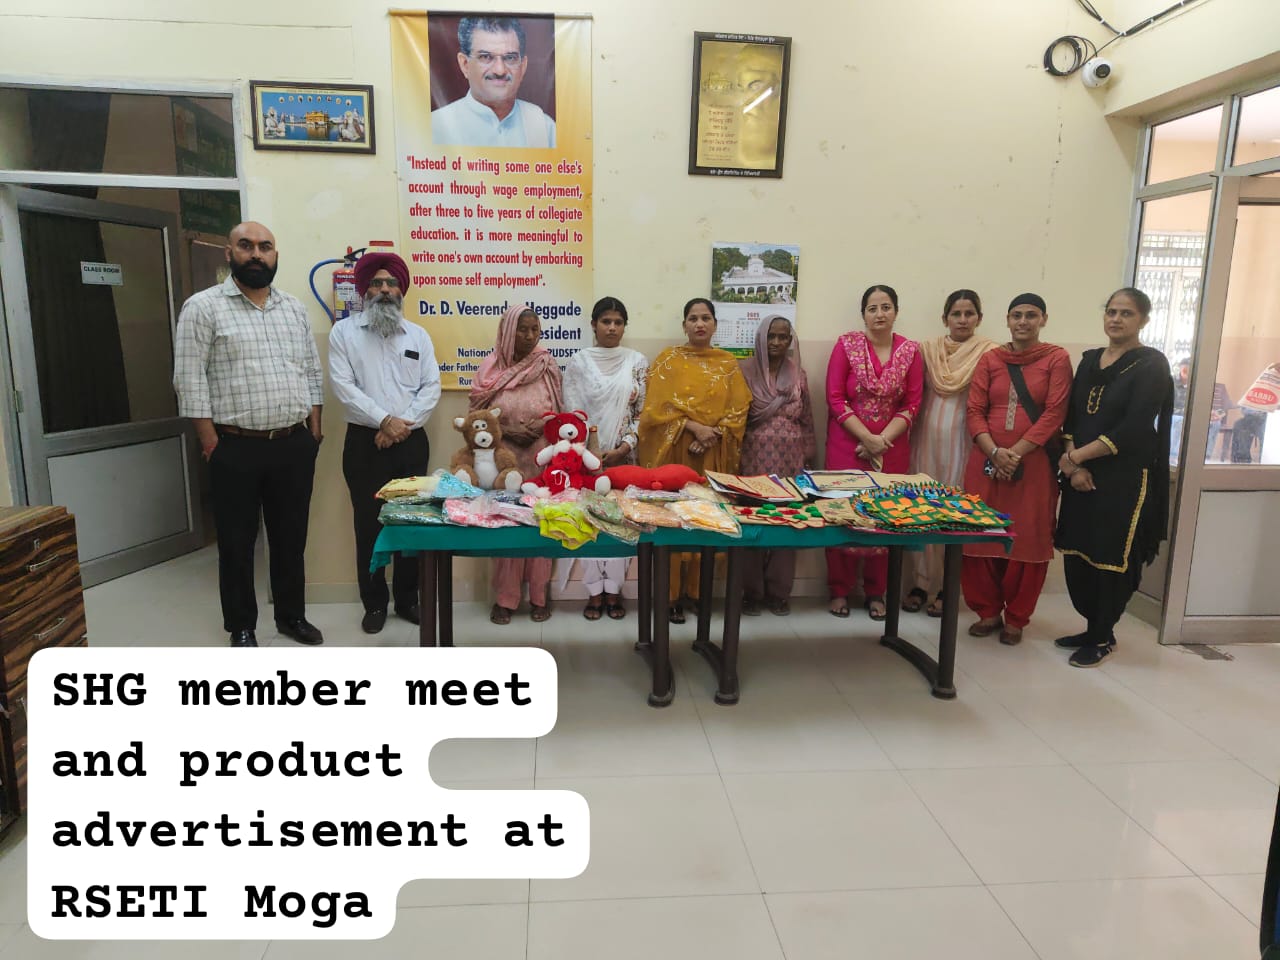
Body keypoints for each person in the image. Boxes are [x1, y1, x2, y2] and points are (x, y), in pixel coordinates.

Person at [173, 221, 324, 648]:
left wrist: (314, 429)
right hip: (234, 446)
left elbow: (311, 371)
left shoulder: (293, 308)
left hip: (293, 444)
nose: (256, 254)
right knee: (237, 544)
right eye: (246, 246)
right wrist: (210, 441)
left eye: (265, 247)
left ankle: (292, 617)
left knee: (290, 541)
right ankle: (241, 626)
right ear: (229, 253)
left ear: (275, 255)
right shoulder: (203, 307)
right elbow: (189, 379)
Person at [1055, 288, 1173, 667]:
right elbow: (1072, 416)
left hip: (1122, 477)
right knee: (1078, 551)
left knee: (1109, 555)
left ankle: (1103, 634)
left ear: (1144, 320)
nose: (1116, 319)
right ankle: (1092, 626)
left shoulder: (1151, 365)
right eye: (1111, 311)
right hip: (1080, 476)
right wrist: (1074, 466)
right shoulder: (1090, 360)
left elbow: (1134, 426)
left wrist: (1076, 458)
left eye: (1126, 313)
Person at [328, 252, 441, 634]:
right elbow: (344, 387)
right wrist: (383, 420)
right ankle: (374, 603)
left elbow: (431, 387)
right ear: (364, 290)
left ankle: (408, 599)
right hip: (365, 443)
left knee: (410, 522)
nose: (384, 289)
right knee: (369, 525)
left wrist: (399, 425)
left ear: (401, 289)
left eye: (391, 283)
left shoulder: (418, 335)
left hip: (410, 438)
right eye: (376, 283)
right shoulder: (343, 333)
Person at [960, 293, 1072, 645]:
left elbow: (1055, 412)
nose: (1023, 321)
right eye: (1017, 315)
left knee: (1027, 539)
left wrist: (1016, 453)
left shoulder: (1056, 359)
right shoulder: (991, 359)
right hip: (985, 460)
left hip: (1033, 464)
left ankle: (1017, 618)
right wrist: (994, 452)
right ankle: (987, 612)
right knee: (979, 534)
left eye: (1031, 315)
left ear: (1044, 319)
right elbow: (974, 410)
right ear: (1007, 320)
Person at [638, 297, 752, 624]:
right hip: (674, 453)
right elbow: (655, 411)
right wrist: (693, 428)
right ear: (684, 325)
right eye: (693, 318)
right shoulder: (668, 360)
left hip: (714, 455)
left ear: (715, 324)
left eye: (705, 318)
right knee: (674, 518)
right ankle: (671, 595)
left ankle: (699, 593)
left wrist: (713, 434)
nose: (699, 324)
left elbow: (739, 409)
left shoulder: (727, 364)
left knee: (708, 518)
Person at [824, 284, 923, 621]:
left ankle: (876, 591)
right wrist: (866, 437)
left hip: (891, 448)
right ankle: (839, 589)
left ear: (896, 311)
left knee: (885, 516)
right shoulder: (847, 346)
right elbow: (835, 397)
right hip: (847, 445)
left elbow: (912, 402)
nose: (880, 314)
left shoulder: (910, 351)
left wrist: (881, 440)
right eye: (872, 308)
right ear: (863, 314)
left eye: (886, 307)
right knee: (843, 513)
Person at [903, 289, 997, 617]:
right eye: (956, 314)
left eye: (969, 314)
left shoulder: (989, 353)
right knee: (919, 508)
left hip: (963, 442)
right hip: (925, 440)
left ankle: (947, 586)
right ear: (945, 318)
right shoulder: (927, 350)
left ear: (979, 318)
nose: (962, 320)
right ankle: (920, 583)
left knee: (952, 512)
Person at [471, 303, 562, 624]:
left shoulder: (547, 365)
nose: (529, 335)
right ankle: (506, 599)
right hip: (502, 460)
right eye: (522, 329)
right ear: (508, 331)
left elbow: (560, 412)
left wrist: (541, 425)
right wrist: (507, 431)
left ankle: (539, 596)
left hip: (541, 456)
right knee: (507, 524)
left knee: (540, 523)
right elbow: (477, 418)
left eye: (534, 329)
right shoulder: (490, 369)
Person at [561, 296, 648, 620]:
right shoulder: (579, 362)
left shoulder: (637, 361)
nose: (612, 328)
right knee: (588, 523)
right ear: (593, 325)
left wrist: (624, 447)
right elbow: (571, 413)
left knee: (619, 524)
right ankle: (593, 592)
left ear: (624, 326)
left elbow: (642, 413)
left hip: (624, 458)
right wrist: (589, 453)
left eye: (618, 322)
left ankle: (613, 591)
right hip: (584, 458)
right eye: (606, 321)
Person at [738, 315, 815, 616]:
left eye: (783, 337)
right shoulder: (744, 372)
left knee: (787, 524)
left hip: (790, 462)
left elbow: (807, 418)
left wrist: (809, 453)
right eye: (771, 336)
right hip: (752, 459)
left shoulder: (798, 375)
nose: (777, 342)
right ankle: (751, 592)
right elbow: (735, 417)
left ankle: (779, 592)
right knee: (753, 523)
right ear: (760, 338)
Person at [431, 16, 557, 148]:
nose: (500, 70)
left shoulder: (544, 127)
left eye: (510, 58)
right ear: (465, 65)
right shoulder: (436, 127)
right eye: (486, 57)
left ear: (523, 67)